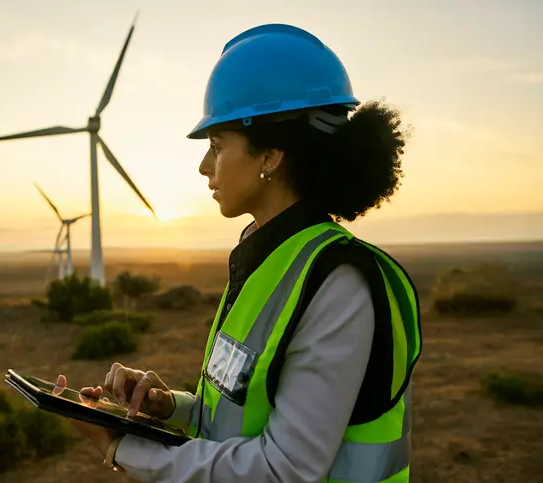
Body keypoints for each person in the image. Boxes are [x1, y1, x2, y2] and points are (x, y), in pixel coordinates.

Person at [55, 23, 422, 482]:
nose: (204, 165)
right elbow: (248, 410)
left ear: (270, 156)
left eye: (217, 145)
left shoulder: (336, 282)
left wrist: (124, 450)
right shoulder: (269, 258)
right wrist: (174, 408)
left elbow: (283, 468)